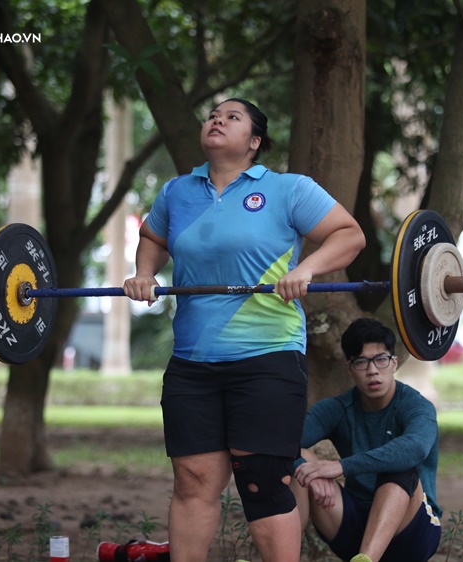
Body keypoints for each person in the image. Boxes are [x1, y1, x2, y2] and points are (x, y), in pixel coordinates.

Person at [123, 98, 366, 562]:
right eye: (213, 114)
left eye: (232, 117)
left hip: (267, 357)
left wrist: (308, 269)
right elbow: (153, 238)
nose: (217, 119)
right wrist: (145, 273)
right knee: (193, 481)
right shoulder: (177, 192)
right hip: (192, 362)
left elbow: (349, 234)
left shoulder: (288, 190)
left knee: (261, 480)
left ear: (254, 142)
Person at [290, 318, 441, 562]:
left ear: (394, 363)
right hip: (353, 526)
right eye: (361, 362)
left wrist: (342, 466)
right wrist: (306, 473)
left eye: (380, 359)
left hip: (412, 532)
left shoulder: (416, 406)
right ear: (349, 369)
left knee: (400, 467)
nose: (372, 370)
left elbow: (415, 448)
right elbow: (281, 442)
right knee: (303, 460)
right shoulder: (339, 408)